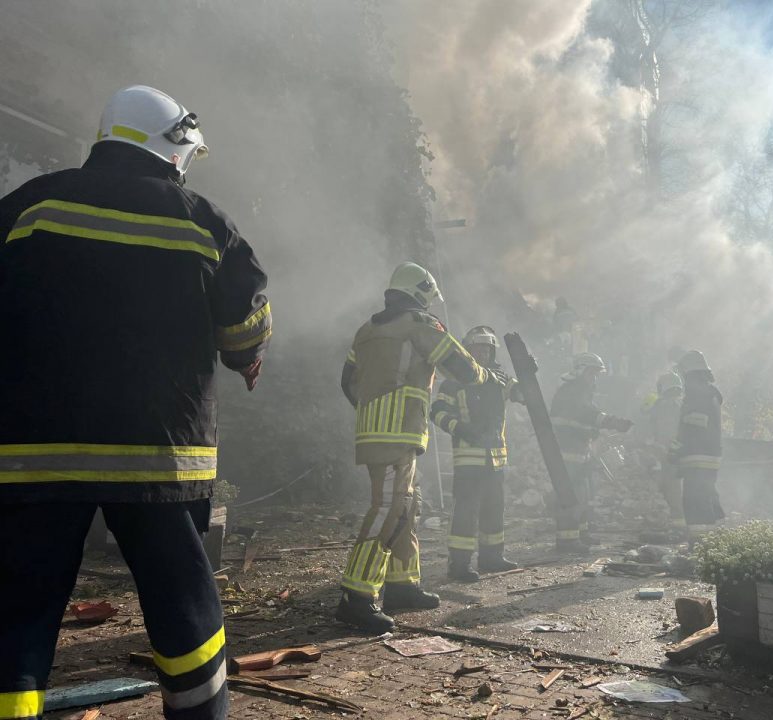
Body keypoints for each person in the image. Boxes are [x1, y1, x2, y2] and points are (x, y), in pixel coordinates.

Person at [0, 85, 271, 720]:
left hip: (33, 455)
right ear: (175, 145)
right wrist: (245, 358)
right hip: (157, 456)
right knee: (184, 600)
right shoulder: (203, 221)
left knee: (19, 604)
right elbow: (246, 329)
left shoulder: (27, 206)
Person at [338, 263, 502, 633]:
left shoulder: (366, 330)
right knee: (389, 508)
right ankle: (356, 597)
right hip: (398, 433)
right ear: (423, 292)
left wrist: (374, 411)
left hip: (376, 430)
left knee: (408, 505)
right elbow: (462, 367)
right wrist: (485, 377)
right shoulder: (420, 324)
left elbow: (347, 382)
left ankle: (402, 586)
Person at [431, 325, 523, 582]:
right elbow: (436, 411)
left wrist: (528, 373)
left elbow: (522, 394)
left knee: (494, 509)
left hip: (496, 459)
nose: (482, 352)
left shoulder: (500, 379)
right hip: (468, 459)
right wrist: (460, 429)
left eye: (487, 348)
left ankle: (492, 557)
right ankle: (459, 564)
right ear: (466, 351)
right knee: (465, 512)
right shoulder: (455, 381)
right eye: (476, 348)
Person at [550, 353, 633, 552]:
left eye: (597, 374)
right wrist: (612, 422)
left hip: (579, 451)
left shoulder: (582, 391)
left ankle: (581, 533)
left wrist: (594, 430)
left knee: (584, 495)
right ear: (580, 371)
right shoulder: (572, 390)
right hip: (567, 452)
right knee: (570, 496)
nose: (594, 378)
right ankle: (567, 540)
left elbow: (586, 417)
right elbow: (587, 414)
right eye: (592, 373)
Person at [670, 350, 724, 543]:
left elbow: (692, 425)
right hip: (707, 455)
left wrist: (676, 450)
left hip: (697, 456)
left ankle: (699, 545)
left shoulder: (698, 393)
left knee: (694, 502)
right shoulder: (709, 392)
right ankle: (708, 544)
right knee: (706, 499)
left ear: (689, 373)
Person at [650, 372, 685, 527]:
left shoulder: (664, 405)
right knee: (674, 488)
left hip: (667, 454)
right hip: (677, 454)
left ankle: (677, 525)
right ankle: (676, 523)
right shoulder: (682, 405)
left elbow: (662, 431)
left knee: (672, 489)